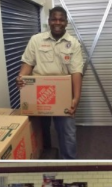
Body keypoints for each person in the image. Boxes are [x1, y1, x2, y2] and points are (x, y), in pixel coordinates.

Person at [16, 6, 83, 159]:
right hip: (38, 95)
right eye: (54, 19)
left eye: (61, 19)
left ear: (66, 22)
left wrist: (76, 99)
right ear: (49, 21)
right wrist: (21, 77)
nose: (57, 22)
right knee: (39, 132)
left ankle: (69, 163)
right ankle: (45, 157)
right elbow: (28, 63)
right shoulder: (36, 40)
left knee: (68, 134)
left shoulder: (73, 44)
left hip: (63, 96)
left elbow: (76, 72)